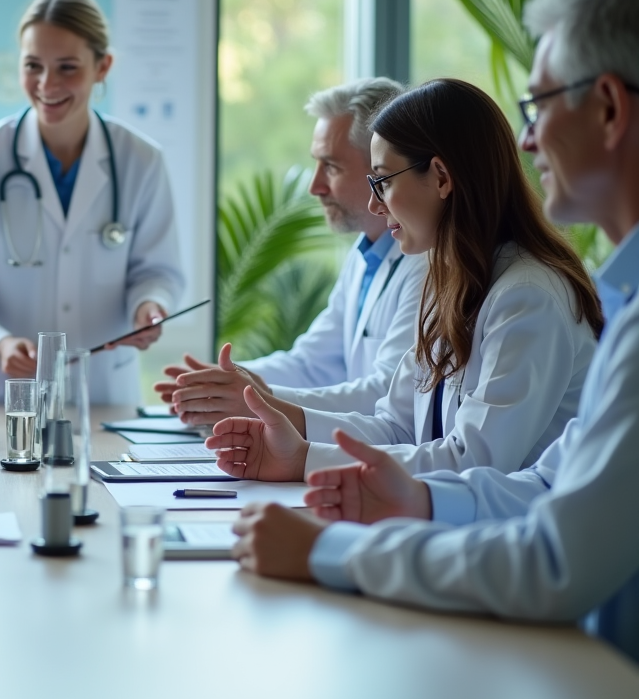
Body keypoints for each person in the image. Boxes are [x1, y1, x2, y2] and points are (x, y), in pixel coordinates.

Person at [227, 0, 639, 663]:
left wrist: (336, 551)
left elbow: (552, 556)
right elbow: (540, 486)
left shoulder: (532, 292)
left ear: (606, 109)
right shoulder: (481, 284)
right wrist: (341, 470)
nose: (529, 140)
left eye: (538, 106)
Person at [208, 78, 603, 480]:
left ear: (441, 178)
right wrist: (281, 427)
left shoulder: (527, 296)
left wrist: (304, 459)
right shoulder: (453, 280)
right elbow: (396, 427)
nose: (373, 205)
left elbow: (473, 459)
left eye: (383, 182)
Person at [0, 0, 185, 404]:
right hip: (4, 401)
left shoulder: (141, 160)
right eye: (33, 65)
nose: (47, 84)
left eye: (67, 67)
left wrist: (150, 305)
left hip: (104, 395)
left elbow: (159, 271)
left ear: (102, 66)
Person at [155, 79, 427, 425]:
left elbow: (388, 395)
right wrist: (222, 380)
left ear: (380, 167)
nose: (315, 187)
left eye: (331, 166)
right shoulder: (365, 257)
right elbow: (311, 364)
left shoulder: (425, 264)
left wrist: (249, 397)